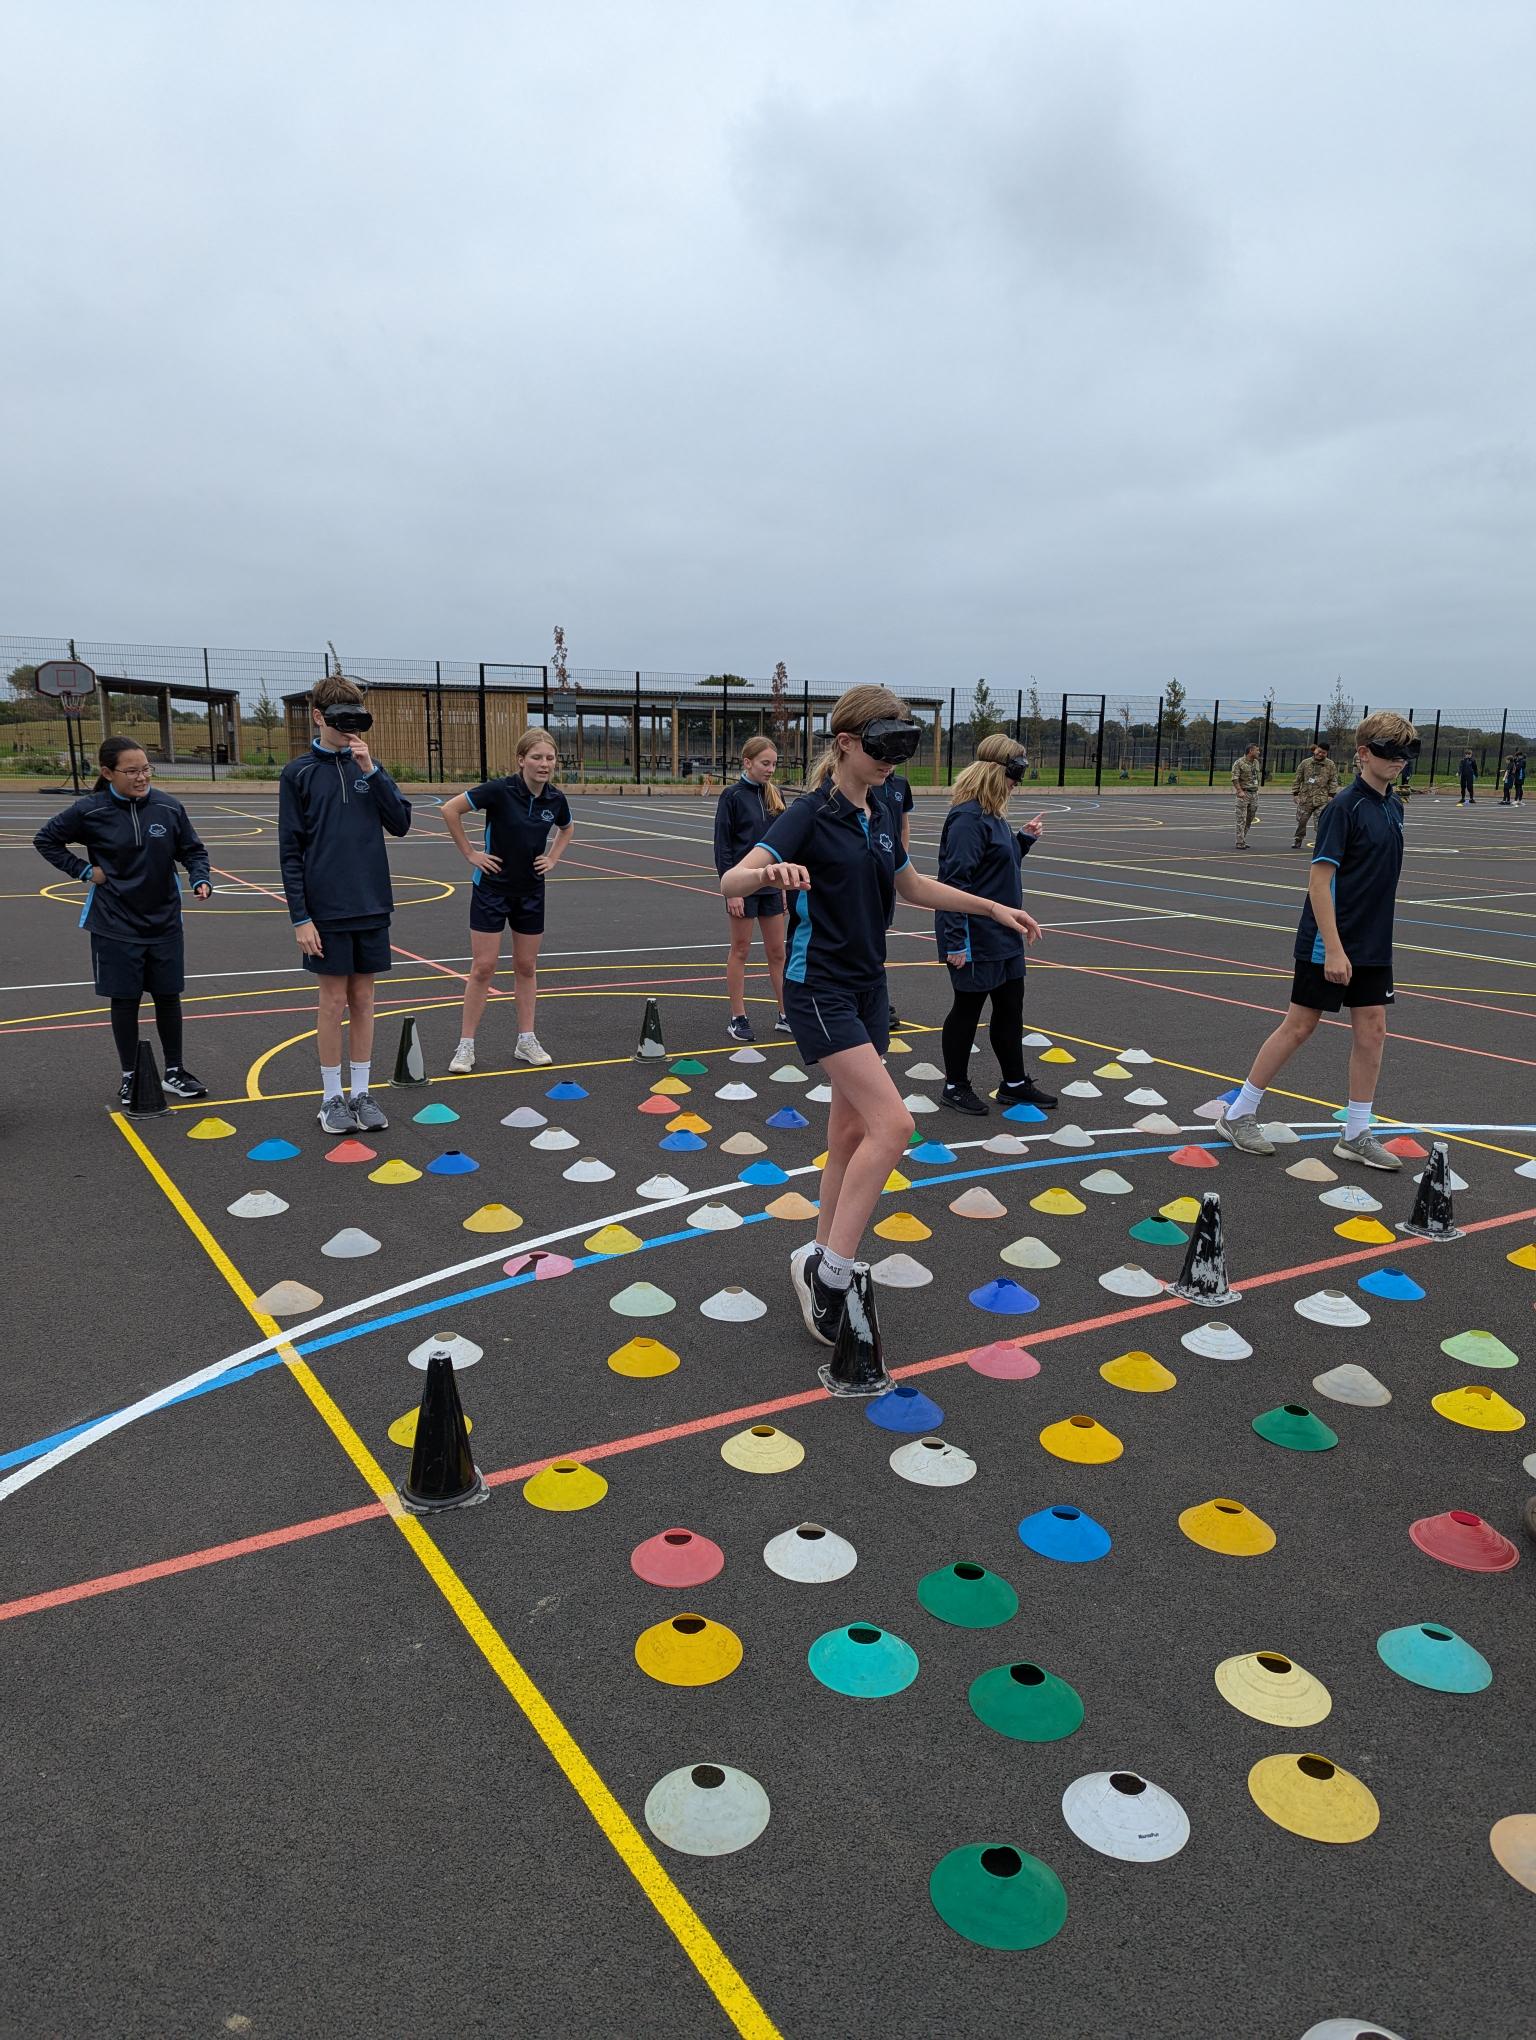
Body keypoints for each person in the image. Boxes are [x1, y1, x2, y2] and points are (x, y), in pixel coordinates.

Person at [720, 684, 1042, 1352]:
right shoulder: (808, 814)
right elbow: (732, 880)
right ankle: (833, 1274)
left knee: (847, 1133)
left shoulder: (886, 804)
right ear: (845, 743)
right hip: (818, 988)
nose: (892, 761)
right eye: (882, 747)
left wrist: (992, 907)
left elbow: (912, 885)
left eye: (902, 748)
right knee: (892, 1125)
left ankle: (818, 1256)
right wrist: (768, 876)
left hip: (869, 987)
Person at [1215, 711, 1417, 1172]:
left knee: (1373, 1031)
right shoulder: (1344, 808)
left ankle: (1356, 1133)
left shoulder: (1394, 807)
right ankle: (1239, 1113)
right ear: (1363, 753)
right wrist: (1335, 947)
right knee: (1300, 1025)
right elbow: (1319, 883)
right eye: (1390, 751)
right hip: (1330, 941)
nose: (1399, 760)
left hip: (1373, 941)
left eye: (1406, 752)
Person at [34, 736, 213, 1108]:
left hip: (163, 921)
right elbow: (46, 839)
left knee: (168, 997)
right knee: (126, 1000)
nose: (141, 777)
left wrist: (200, 877)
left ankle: (175, 1071)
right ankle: (131, 1075)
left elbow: (192, 850)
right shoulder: (90, 810)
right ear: (107, 772)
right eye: (131, 771)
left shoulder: (168, 807)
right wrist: (85, 870)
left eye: (146, 769)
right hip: (114, 922)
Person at [278, 674, 412, 1133]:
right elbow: (290, 850)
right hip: (326, 908)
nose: (348, 729)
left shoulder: (369, 767)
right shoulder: (298, 773)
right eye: (340, 720)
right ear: (319, 717)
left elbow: (401, 823)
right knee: (333, 1000)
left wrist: (371, 771)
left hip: (371, 902)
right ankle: (331, 1098)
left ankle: (362, 1093)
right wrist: (301, 917)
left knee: (365, 999)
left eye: (356, 720)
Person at [934, 734, 1053, 1115]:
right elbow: (953, 884)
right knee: (968, 1009)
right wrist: (956, 941)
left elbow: (998, 863)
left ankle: (1014, 1083)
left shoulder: (993, 815)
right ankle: (955, 1085)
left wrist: (1023, 840)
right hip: (974, 933)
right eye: (1017, 772)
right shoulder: (968, 818)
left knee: (1010, 1006)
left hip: (1005, 930)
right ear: (1000, 771)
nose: (1019, 782)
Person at [442, 727, 573, 1071]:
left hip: (530, 891)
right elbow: (450, 810)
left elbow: (567, 828)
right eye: (536, 757)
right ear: (521, 760)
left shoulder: (555, 799)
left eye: (549, 758)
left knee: (526, 966)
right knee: (483, 967)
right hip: (491, 889)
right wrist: (471, 853)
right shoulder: (499, 790)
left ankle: (526, 1040)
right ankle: (466, 1046)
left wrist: (553, 858)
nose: (544, 764)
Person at [711, 735, 790, 1044]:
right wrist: (731, 890)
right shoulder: (731, 796)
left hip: (771, 886)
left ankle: (786, 1014)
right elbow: (723, 847)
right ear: (747, 762)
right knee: (741, 950)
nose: (770, 769)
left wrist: (782, 886)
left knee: (778, 952)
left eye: (774, 764)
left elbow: (783, 845)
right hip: (742, 885)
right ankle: (738, 1017)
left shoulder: (776, 795)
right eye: (764, 763)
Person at [878, 767, 915, 1027]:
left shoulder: (901, 784)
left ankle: (877, 998)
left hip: (888, 870)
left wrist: (900, 863)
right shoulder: (867, 780)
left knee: (878, 936)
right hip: (868, 869)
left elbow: (903, 825)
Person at [1290, 743, 1339, 847]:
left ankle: (1321, 842)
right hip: (1305, 798)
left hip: (1322, 799)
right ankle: (1298, 839)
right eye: (1319, 751)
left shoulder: (1330, 764)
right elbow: (1298, 779)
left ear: (1327, 753)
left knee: (1321, 822)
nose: (1320, 754)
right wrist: (1295, 793)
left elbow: (1333, 780)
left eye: (1323, 753)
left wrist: (1331, 795)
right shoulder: (1305, 763)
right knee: (1302, 821)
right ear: (1315, 750)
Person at [1231, 743, 1261, 848]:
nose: (1259, 752)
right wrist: (1239, 790)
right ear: (1250, 751)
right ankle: (1239, 842)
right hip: (1244, 794)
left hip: (1254, 794)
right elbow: (1234, 778)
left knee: (1250, 818)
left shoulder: (1256, 762)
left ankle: (1243, 839)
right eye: (1257, 750)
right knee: (1241, 819)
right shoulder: (1239, 763)